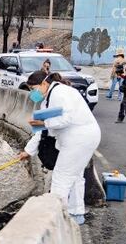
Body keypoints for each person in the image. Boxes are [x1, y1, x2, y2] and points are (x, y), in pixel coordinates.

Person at [18, 70, 101, 225]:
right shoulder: (47, 99)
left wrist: (44, 123)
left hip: (79, 138)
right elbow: (41, 132)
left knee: (61, 177)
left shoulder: (59, 93)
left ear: (44, 83)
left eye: (33, 89)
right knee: (75, 176)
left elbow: (66, 119)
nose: (32, 93)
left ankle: (54, 220)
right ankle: (76, 214)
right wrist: (28, 151)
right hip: (83, 137)